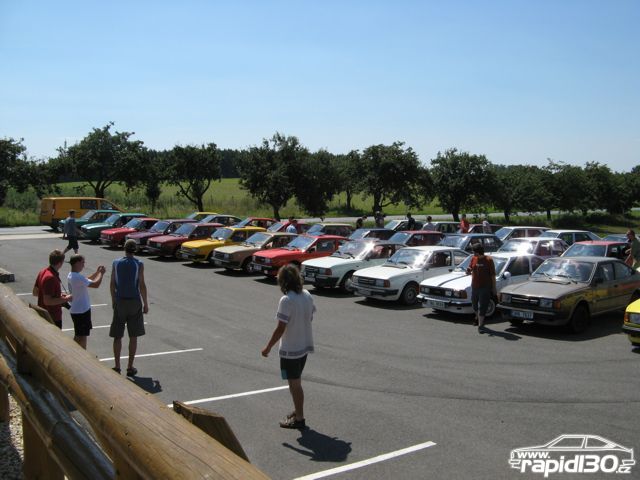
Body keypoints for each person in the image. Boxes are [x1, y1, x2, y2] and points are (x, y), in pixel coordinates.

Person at [262, 264, 315, 429]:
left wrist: (268, 347)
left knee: (295, 384)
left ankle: (299, 418)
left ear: (283, 281)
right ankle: (297, 410)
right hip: (303, 347)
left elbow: (280, 328)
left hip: (291, 350)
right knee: (295, 382)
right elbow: (310, 317)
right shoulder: (307, 295)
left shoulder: (286, 300)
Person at [110, 239, 149, 376]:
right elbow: (142, 285)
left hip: (120, 301)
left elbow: (112, 284)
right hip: (134, 301)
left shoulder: (116, 263)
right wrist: (145, 303)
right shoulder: (139, 264)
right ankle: (130, 367)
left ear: (124, 248)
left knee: (117, 335)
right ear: (135, 249)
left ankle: (117, 366)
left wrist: (113, 300)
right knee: (133, 336)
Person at [67, 254, 106, 349]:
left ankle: (74, 351)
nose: (83, 265)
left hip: (77, 309)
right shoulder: (77, 277)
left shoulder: (72, 275)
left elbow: (87, 280)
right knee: (82, 337)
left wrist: (97, 272)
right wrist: (101, 273)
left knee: (79, 335)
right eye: (82, 263)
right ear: (77, 263)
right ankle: (80, 354)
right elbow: (96, 284)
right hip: (81, 311)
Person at [33, 249, 72, 329]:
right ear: (60, 263)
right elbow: (47, 301)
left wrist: (58, 295)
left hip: (44, 315)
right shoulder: (51, 278)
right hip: (52, 318)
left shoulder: (43, 272)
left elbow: (35, 292)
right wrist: (67, 299)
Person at [466, 243, 496, 333]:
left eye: (474, 252)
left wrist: (494, 287)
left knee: (482, 306)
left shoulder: (489, 260)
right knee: (474, 304)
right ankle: (478, 318)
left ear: (478, 252)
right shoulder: (473, 258)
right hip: (475, 286)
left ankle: (481, 325)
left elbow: (493, 275)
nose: (473, 253)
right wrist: (468, 270)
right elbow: (470, 267)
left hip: (485, 287)